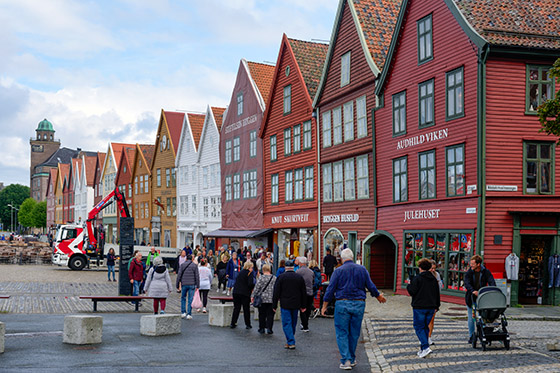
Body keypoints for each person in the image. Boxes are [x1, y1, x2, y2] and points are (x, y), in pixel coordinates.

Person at [322, 248, 386, 370]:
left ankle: (346, 360)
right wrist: (378, 296)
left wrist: (324, 306)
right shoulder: (362, 269)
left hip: (342, 303)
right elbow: (370, 285)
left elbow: (330, 289)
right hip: (359, 303)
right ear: (352, 257)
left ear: (341, 258)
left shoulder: (338, 271)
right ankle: (351, 358)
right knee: (354, 332)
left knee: (342, 332)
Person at [407, 258, 441, 359]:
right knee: (425, 327)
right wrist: (437, 306)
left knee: (418, 327)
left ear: (420, 268)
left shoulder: (417, 278)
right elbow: (437, 293)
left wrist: (409, 285)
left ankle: (426, 347)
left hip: (419, 306)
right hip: (431, 307)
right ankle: (422, 349)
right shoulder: (434, 279)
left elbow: (412, 291)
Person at [272, 260, 307, 350]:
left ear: (285, 268)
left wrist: (274, 305)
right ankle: (290, 339)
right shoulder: (299, 277)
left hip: (285, 303)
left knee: (287, 323)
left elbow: (276, 292)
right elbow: (303, 292)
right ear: (293, 267)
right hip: (296, 303)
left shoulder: (281, 277)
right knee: (293, 323)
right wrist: (303, 305)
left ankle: (291, 341)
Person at [465, 254, 496, 344]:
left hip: (482, 298)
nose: (471, 266)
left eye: (473, 264)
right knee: (471, 317)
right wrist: (472, 291)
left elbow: (491, 281)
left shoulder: (486, 272)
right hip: (471, 297)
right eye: (471, 264)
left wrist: (492, 290)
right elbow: (467, 283)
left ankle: (483, 334)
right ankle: (471, 336)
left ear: (478, 264)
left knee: (483, 317)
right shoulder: (469, 272)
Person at [230, 261, 255, 329]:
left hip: (236, 292)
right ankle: (248, 324)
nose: (252, 269)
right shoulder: (249, 273)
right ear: (249, 267)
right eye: (252, 267)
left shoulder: (240, 272)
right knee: (246, 309)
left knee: (236, 308)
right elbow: (250, 284)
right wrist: (253, 286)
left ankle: (233, 322)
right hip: (245, 293)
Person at [253, 264, 277, 334]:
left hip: (262, 299)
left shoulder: (261, 278)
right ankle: (269, 328)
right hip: (271, 299)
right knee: (270, 314)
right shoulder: (274, 278)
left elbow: (257, 288)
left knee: (261, 314)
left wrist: (253, 296)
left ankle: (262, 328)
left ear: (263, 270)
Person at [176, 254, 199, 319]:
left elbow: (179, 275)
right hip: (192, 284)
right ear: (192, 259)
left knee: (183, 298)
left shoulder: (182, 265)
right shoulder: (194, 266)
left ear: (186, 259)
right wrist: (198, 285)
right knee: (190, 299)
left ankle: (183, 312)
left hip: (184, 283)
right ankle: (189, 313)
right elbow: (197, 276)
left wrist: (177, 284)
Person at [296, 257, 314, 332]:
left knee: (302, 309)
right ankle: (305, 323)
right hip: (310, 292)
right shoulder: (311, 272)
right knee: (308, 309)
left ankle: (305, 325)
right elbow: (313, 281)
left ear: (300, 263)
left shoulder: (298, 271)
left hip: (301, 293)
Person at [428, 259, 443, 345]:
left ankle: (429, 337)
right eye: (431, 268)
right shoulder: (424, 275)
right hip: (425, 300)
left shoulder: (436, 275)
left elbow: (440, 287)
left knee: (432, 319)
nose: (433, 270)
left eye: (434, 268)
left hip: (434, 299)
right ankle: (423, 337)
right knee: (424, 320)